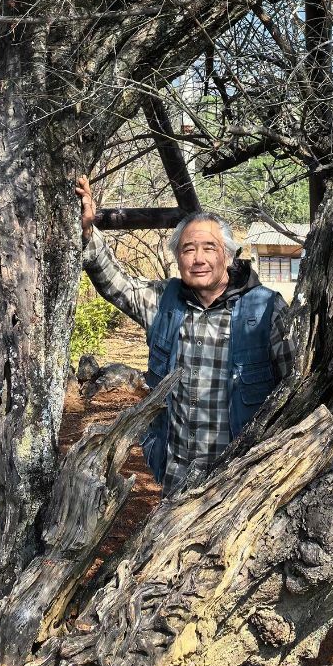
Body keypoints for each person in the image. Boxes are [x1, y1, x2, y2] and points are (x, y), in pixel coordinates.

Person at [75, 175, 294, 495]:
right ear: (178, 258)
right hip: (176, 480)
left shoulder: (266, 311)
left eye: (209, 248)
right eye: (188, 249)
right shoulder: (165, 303)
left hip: (240, 485)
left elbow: (297, 389)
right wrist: (87, 231)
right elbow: (117, 285)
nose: (199, 258)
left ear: (229, 255)